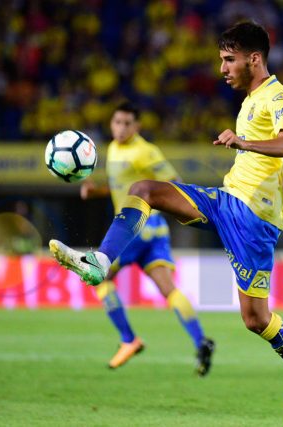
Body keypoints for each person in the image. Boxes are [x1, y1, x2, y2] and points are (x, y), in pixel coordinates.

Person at [49, 20, 283, 371]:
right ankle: (100, 262)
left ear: (255, 59)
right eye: (222, 60)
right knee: (143, 190)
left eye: (229, 60)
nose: (222, 69)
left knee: (255, 319)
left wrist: (243, 142)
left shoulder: (279, 97)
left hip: (254, 219)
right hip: (226, 201)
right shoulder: (249, 101)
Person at [79, 101, 215, 375]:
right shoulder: (114, 149)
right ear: (111, 124)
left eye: (127, 123)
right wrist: (97, 192)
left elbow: (176, 182)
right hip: (155, 229)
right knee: (169, 289)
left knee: (99, 277)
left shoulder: (145, 151)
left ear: (137, 126)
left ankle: (129, 339)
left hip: (134, 227)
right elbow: (122, 187)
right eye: (117, 122)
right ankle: (201, 340)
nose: (121, 128)